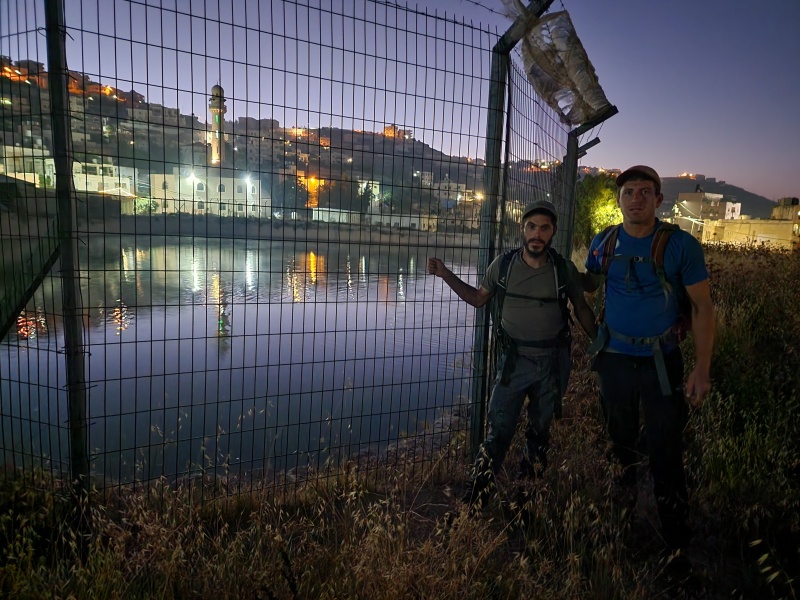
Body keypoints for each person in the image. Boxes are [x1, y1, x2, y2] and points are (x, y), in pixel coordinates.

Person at [428, 200, 597, 507]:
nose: (537, 234)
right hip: (513, 364)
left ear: (553, 233)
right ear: (522, 229)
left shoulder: (562, 269)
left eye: (544, 228)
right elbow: (479, 299)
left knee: (539, 431)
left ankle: (525, 498)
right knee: (499, 431)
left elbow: (582, 308)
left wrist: (601, 343)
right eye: (532, 227)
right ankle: (477, 498)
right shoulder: (503, 267)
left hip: (551, 364)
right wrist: (446, 274)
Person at [583, 165, 715, 550]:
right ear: (619, 199)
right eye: (628, 191)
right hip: (615, 362)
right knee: (619, 444)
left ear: (659, 199)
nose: (636, 198)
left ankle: (676, 544)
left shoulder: (680, 245)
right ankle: (622, 527)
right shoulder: (604, 241)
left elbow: (703, 307)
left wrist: (701, 369)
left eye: (645, 192)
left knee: (666, 453)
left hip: (662, 361)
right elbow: (590, 282)